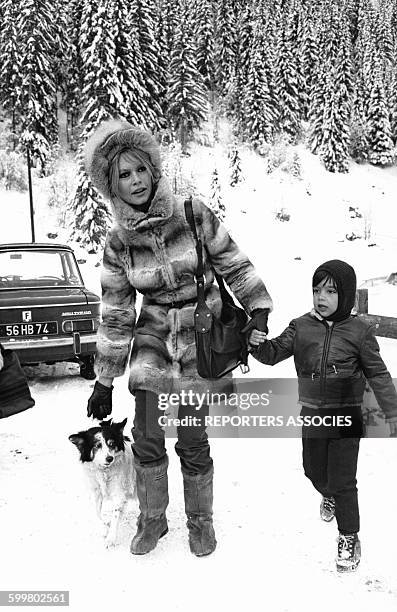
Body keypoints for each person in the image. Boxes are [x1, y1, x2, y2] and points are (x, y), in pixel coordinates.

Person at [84, 120, 272, 556]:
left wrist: (258, 306)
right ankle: (152, 520)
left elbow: (234, 263)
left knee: (191, 434)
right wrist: (104, 379)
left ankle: (201, 521)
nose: (135, 182)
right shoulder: (119, 242)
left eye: (139, 171)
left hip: (199, 334)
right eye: (123, 176)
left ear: (153, 169)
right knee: (147, 434)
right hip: (151, 338)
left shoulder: (192, 213)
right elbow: (115, 311)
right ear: (112, 187)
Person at [249, 259, 397, 572]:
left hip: (346, 417)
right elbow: (273, 353)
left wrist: (393, 412)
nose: (322, 297)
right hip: (313, 415)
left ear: (346, 295)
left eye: (330, 291)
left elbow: (379, 374)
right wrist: (256, 345)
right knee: (313, 471)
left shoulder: (359, 331)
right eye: (317, 290)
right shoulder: (301, 326)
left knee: (343, 481)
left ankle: (348, 535)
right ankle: (327, 493)